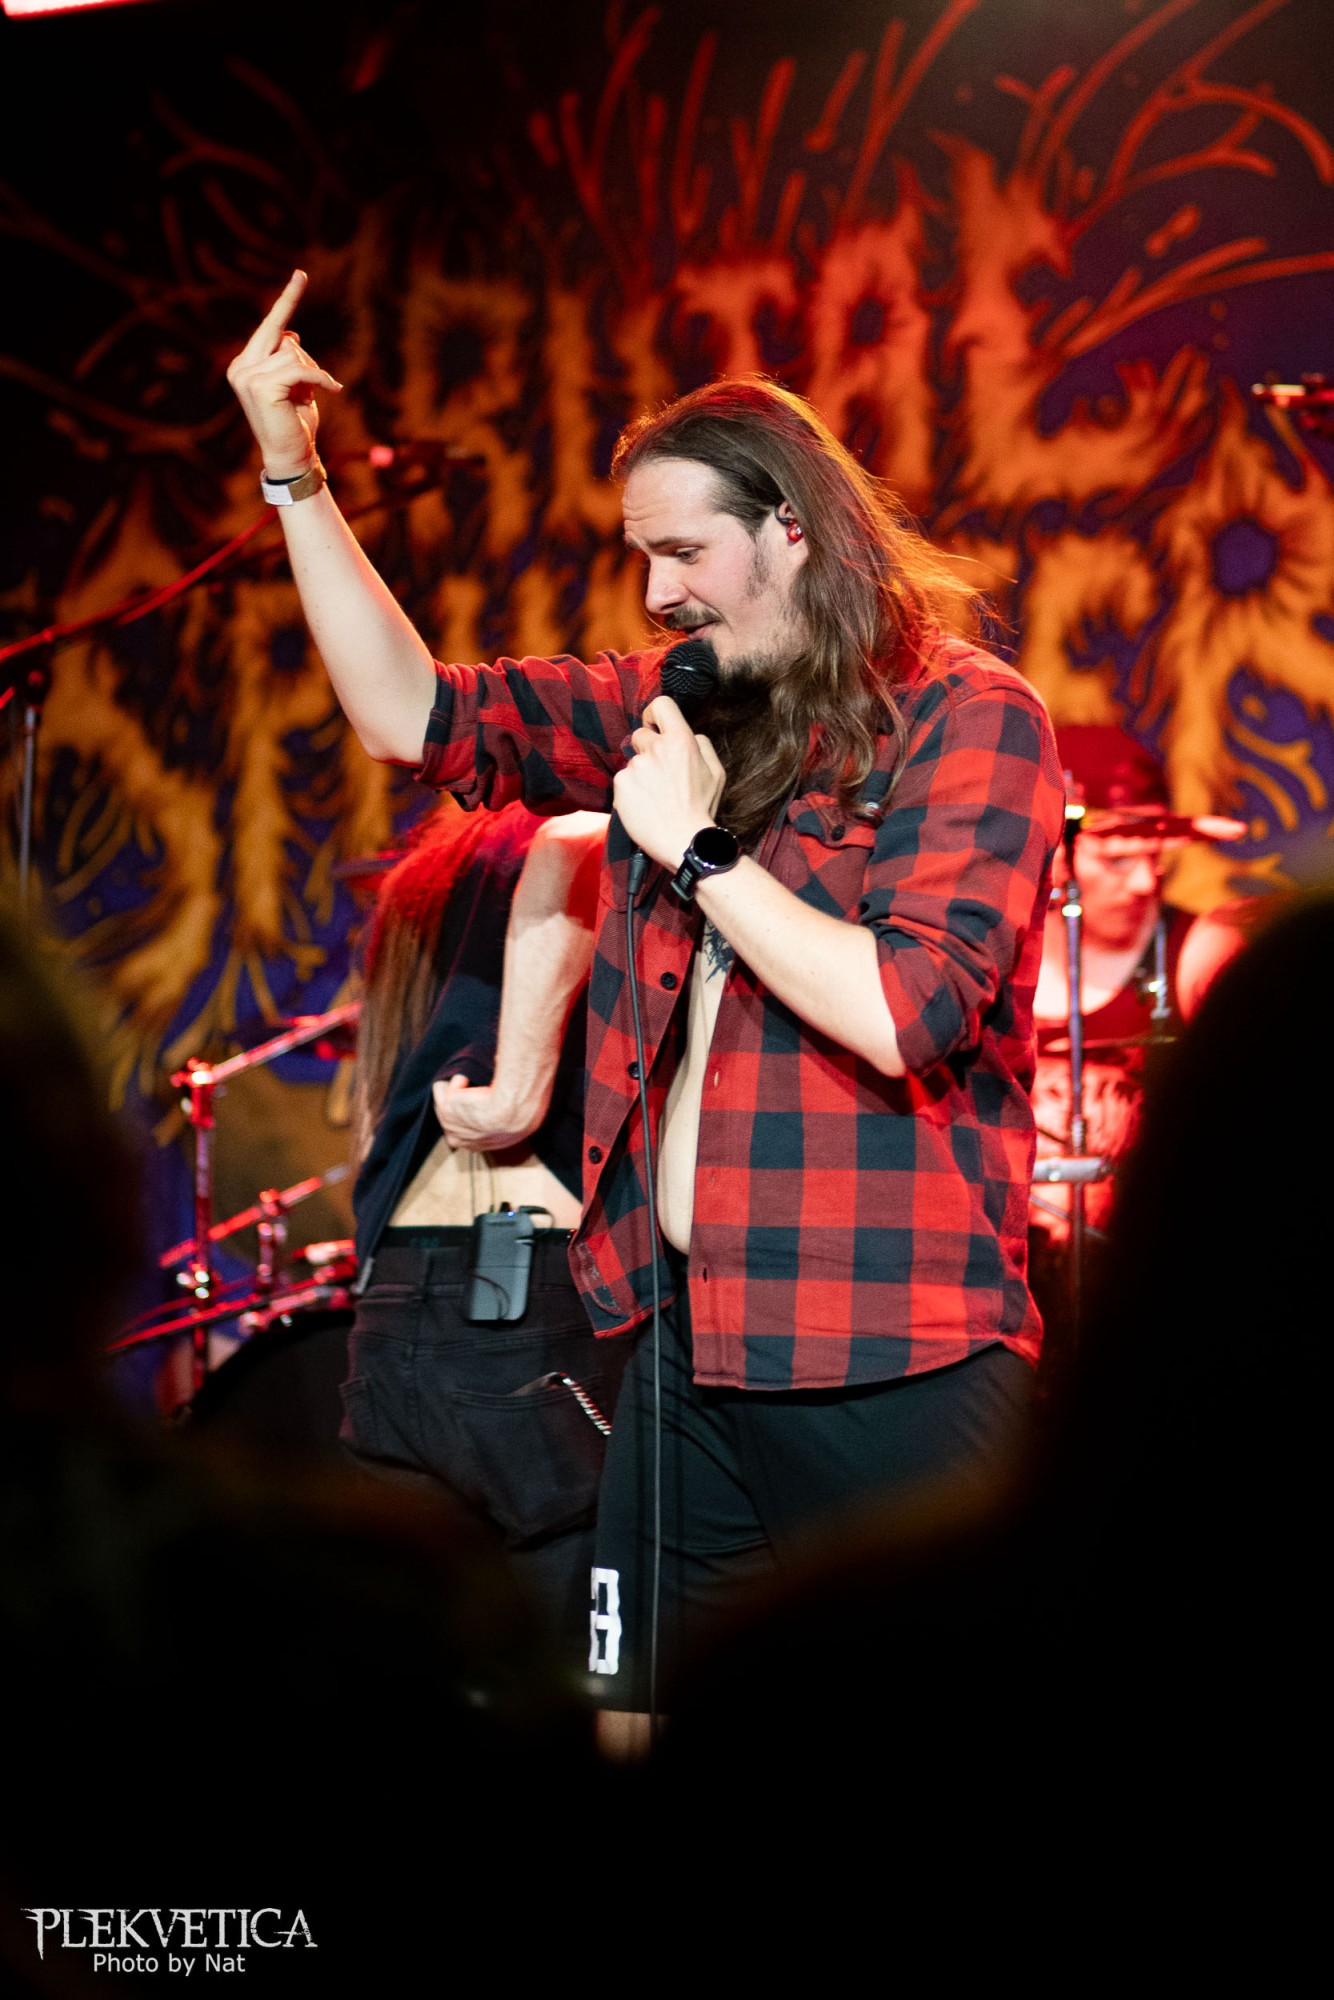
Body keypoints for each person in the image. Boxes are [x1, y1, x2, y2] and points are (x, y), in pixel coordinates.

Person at [227, 271, 1066, 1727]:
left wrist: (696, 849)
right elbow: (411, 714)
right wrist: (293, 474)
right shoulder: (677, 702)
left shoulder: (965, 712)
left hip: (881, 1341)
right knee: (638, 1720)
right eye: (642, 555)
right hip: (687, 1336)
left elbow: (903, 1006)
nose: (656, 590)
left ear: (790, 530)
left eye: (682, 550)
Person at [343, 792, 620, 1666]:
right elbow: (573, 844)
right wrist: (519, 1094)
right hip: (530, 1296)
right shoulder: (553, 841)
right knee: (585, 1659)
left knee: (412, 1660)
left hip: (394, 1295)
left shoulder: (422, 885)